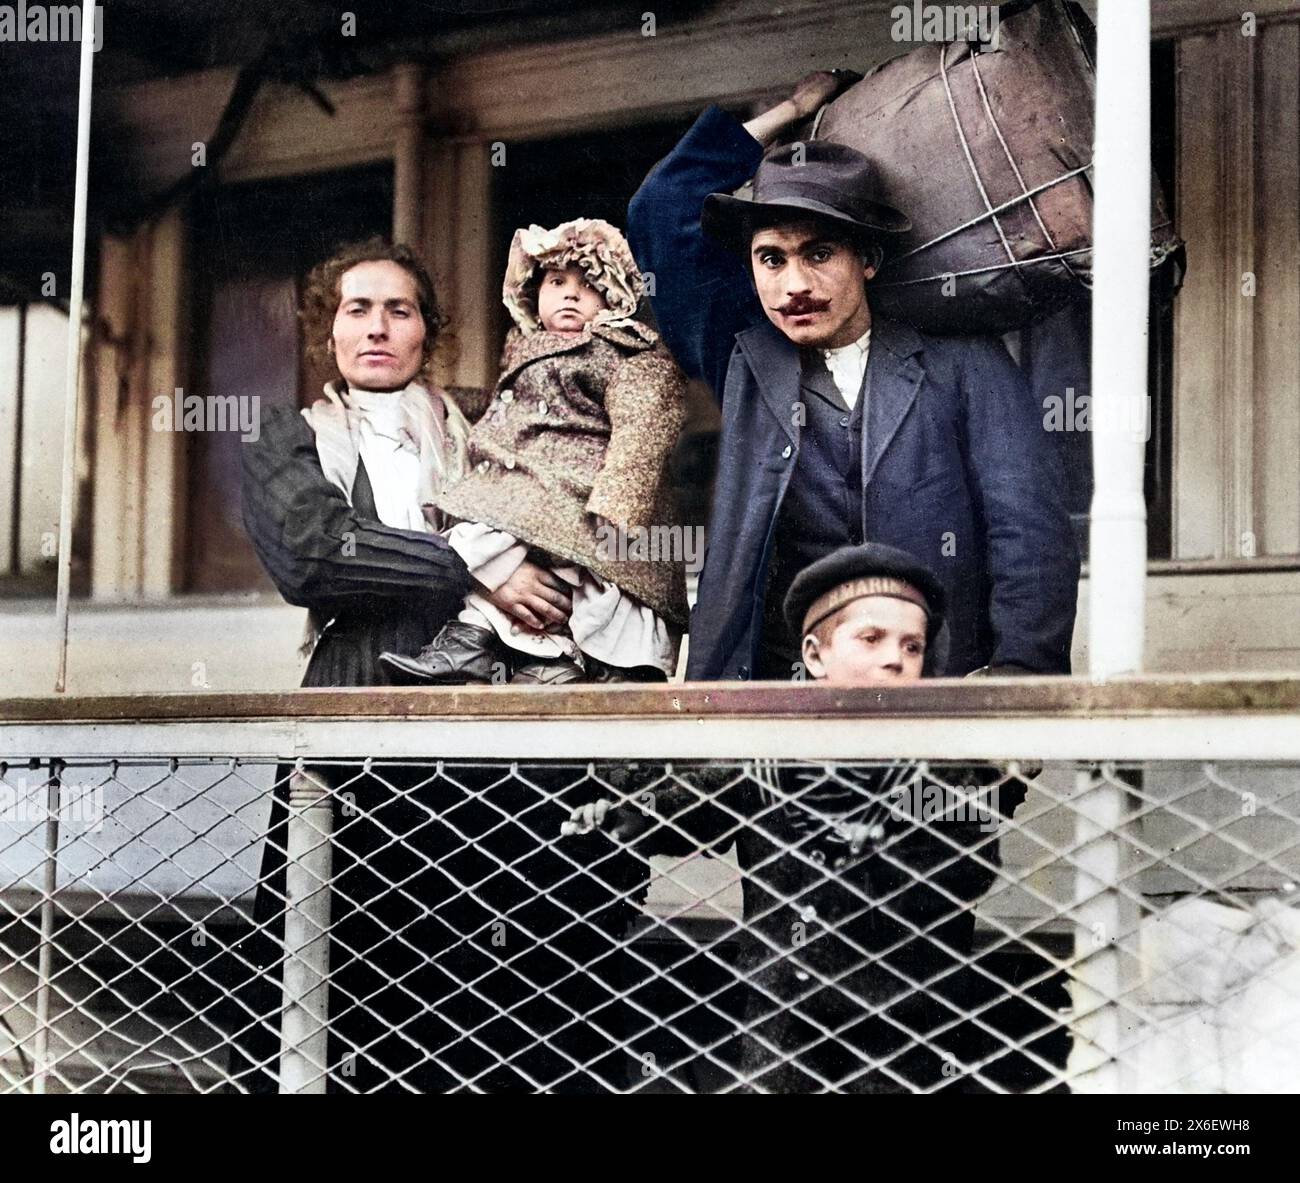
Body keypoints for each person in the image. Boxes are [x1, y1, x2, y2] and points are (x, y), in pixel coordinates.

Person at [238, 238, 646, 1092]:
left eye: (401, 309)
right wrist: (475, 563)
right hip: (358, 701)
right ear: (329, 330)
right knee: (347, 945)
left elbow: (562, 500)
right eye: (358, 308)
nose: (379, 327)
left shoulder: (487, 419)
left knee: (487, 951)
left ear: (429, 329)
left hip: (484, 707)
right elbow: (314, 556)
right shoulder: (289, 434)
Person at [626, 72, 1080, 681]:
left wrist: (1021, 673)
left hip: (932, 692)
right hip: (773, 699)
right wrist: (790, 109)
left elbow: (1027, 532)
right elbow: (660, 205)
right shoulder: (742, 359)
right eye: (771, 259)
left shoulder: (964, 361)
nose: (794, 286)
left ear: (867, 261)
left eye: (819, 254)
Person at [565, 542, 1027, 1092]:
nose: (894, 659)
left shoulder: (936, 766)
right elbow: (691, 807)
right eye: (871, 638)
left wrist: (893, 838)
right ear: (813, 655)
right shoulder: (769, 752)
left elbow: (972, 866)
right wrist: (625, 817)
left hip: (896, 1020)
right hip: (780, 1015)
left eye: (912, 646)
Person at [380, 217, 688, 687]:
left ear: (614, 300)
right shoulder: (522, 351)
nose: (570, 294)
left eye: (588, 285)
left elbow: (643, 424)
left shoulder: (625, 352)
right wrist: (446, 402)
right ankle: (474, 643)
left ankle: (595, 667)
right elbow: (506, 410)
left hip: (583, 488)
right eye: (557, 282)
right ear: (532, 293)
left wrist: (620, 499)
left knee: (591, 584)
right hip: (530, 485)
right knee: (481, 533)